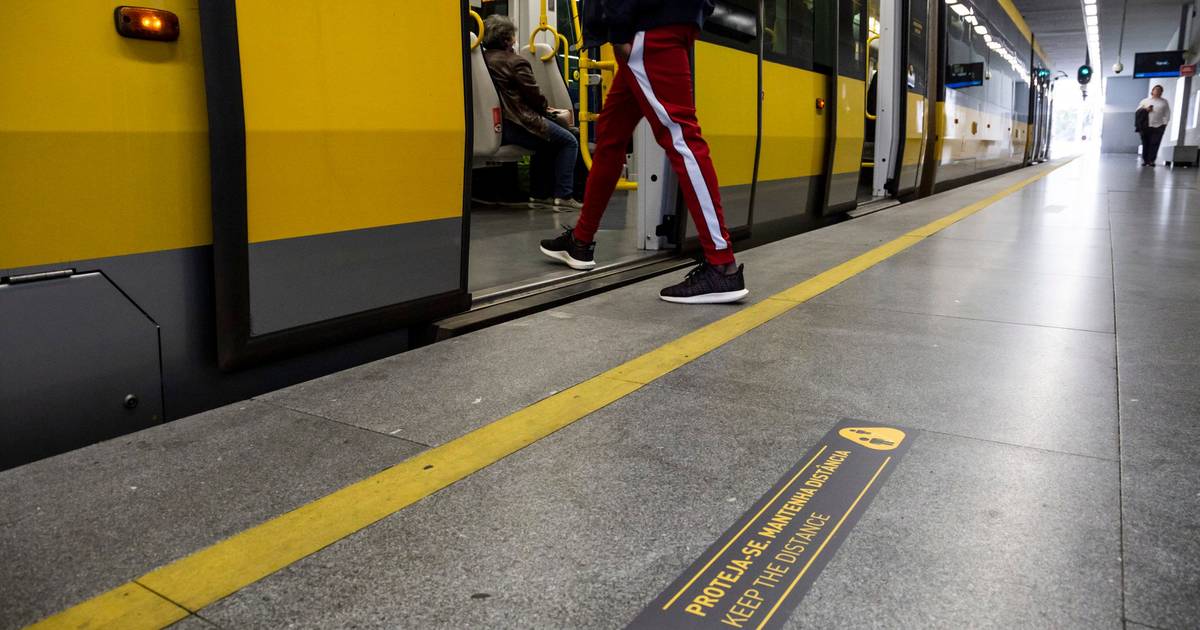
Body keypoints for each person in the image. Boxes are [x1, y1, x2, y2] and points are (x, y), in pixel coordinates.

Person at [538, 0, 749, 304]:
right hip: (651, 21)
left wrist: (620, 27)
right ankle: (580, 241)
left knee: (681, 137)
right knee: (611, 137)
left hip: (646, 26)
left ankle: (721, 264)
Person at [482, 15, 582, 210]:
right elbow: (535, 98)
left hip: (503, 124)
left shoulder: (483, 61)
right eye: (512, 36)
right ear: (506, 39)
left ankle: (539, 194)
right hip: (521, 123)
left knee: (546, 144)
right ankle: (564, 195)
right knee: (569, 140)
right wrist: (549, 111)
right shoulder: (515, 62)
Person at [1136, 84, 1170, 167]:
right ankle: (1145, 160)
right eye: (1156, 89)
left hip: (1159, 126)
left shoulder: (1164, 102)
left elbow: (1167, 113)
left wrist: (1164, 124)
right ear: (1152, 91)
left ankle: (1151, 160)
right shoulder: (1145, 101)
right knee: (1146, 143)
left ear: (1161, 92)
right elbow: (1138, 111)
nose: (1157, 91)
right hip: (1146, 126)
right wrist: (1145, 110)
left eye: (1159, 90)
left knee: (1155, 143)